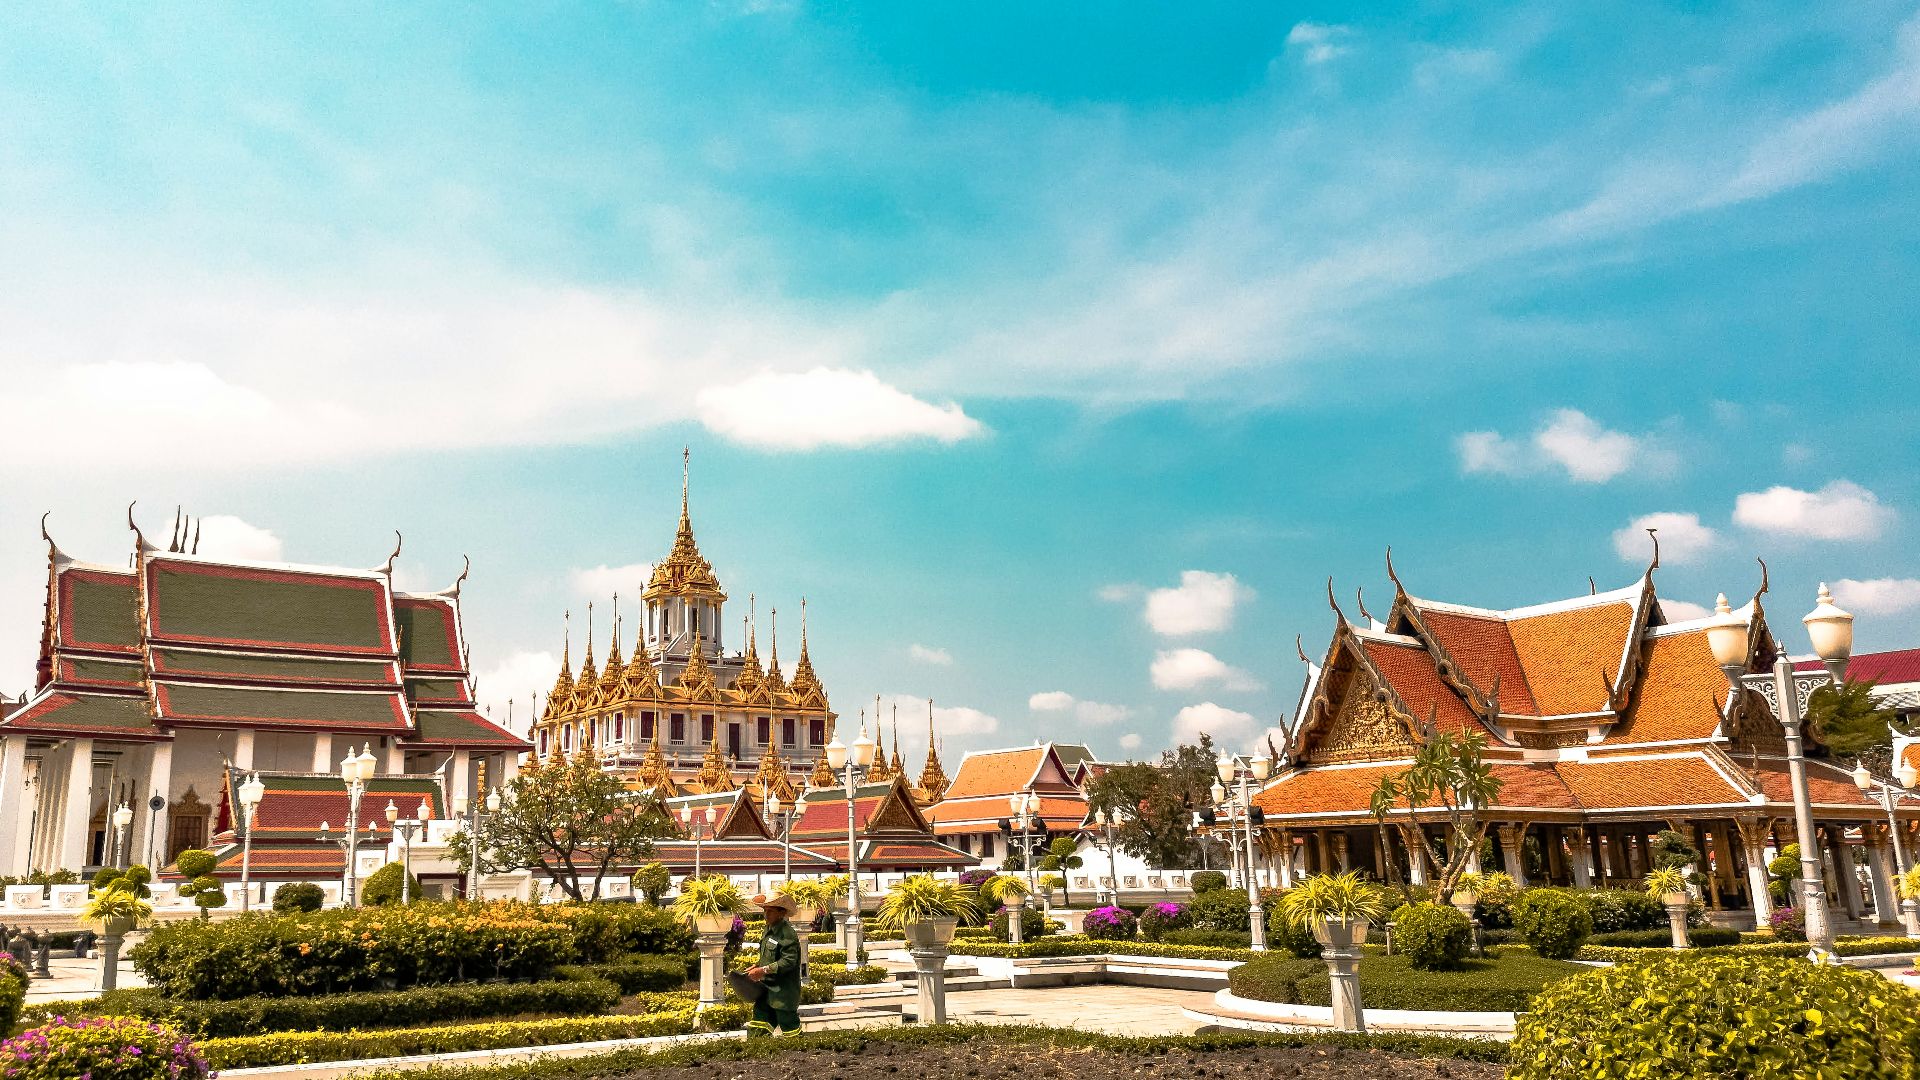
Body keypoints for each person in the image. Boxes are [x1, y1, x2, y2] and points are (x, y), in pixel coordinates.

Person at [745, 893, 803, 1037]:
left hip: (783, 993)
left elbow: (788, 961)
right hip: (766, 990)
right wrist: (757, 966)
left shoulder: (787, 933)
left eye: (770, 911)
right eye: (765, 910)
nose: (766, 914)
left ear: (781, 913)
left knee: (791, 1030)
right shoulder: (768, 930)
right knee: (758, 1026)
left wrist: (763, 970)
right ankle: (755, 1053)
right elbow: (769, 956)